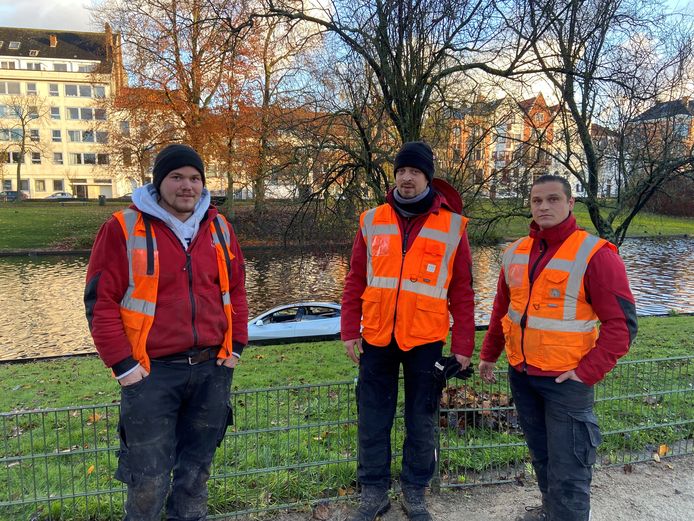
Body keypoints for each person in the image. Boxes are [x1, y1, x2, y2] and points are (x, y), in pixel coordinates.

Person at [84, 144, 248, 521]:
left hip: (211, 369)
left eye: (195, 178)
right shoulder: (123, 228)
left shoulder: (219, 227)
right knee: (148, 480)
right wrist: (125, 367)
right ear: (159, 183)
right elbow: (100, 302)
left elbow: (236, 288)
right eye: (176, 177)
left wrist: (236, 345)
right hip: (150, 373)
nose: (187, 186)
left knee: (196, 475)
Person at [479, 174, 637, 521]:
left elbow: (622, 326)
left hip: (567, 381)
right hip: (522, 374)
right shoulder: (515, 252)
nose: (544, 206)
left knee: (571, 467)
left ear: (570, 204)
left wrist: (586, 373)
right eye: (537, 201)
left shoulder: (595, 255)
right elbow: (503, 311)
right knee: (543, 456)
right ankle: (552, 513)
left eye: (553, 199)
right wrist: (490, 354)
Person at [341, 141, 475, 521]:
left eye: (415, 171)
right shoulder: (372, 220)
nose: (406, 177)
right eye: (401, 170)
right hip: (377, 337)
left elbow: (462, 290)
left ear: (428, 176)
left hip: (426, 339)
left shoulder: (452, 226)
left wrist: (463, 344)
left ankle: (415, 491)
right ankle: (373, 492)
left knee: (422, 418)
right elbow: (355, 280)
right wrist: (350, 328)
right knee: (372, 417)